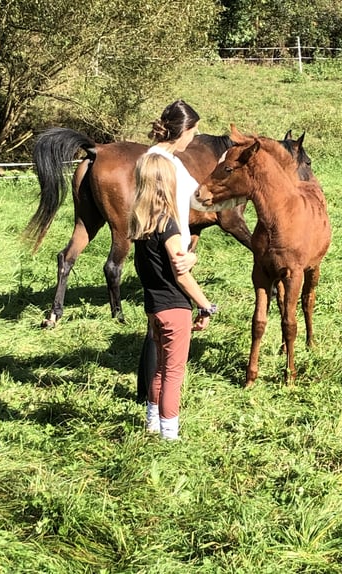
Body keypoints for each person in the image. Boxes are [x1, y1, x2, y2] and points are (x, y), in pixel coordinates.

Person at [129, 153, 217, 440]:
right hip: (175, 308)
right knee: (174, 374)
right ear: (167, 183)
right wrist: (205, 306)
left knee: (161, 369)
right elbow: (181, 272)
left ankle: (152, 422)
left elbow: (172, 263)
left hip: (153, 307)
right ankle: (170, 436)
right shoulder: (168, 225)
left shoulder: (141, 225)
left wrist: (187, 258)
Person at [136, 100, 203, 403]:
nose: (195, 136)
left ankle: (151, 406)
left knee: (157, 326)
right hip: (169, 249)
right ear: (184, 130)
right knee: (163, 340)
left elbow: (198, 196)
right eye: (195, 130)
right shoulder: (159, 163)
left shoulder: (168, 159)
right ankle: (161, 415)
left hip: (170, 247)